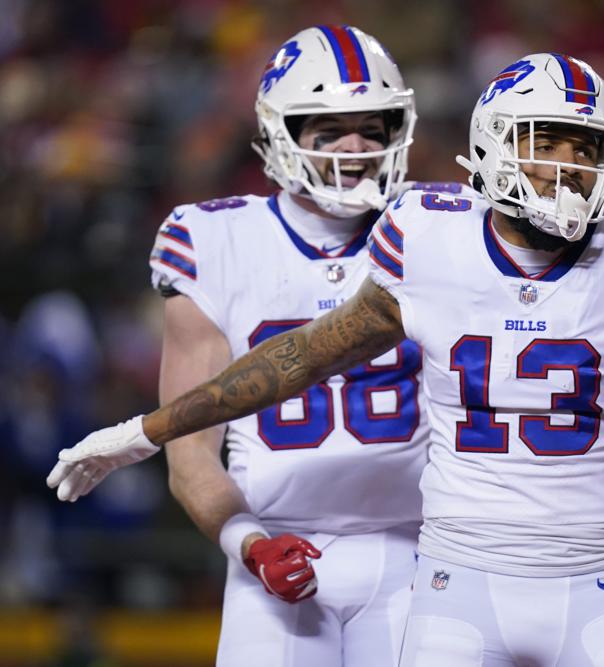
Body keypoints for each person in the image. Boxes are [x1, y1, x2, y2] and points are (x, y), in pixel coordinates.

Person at [49, 53, 604, 666]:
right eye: (548, 140)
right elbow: (297, 361)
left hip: (597, 583)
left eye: (586, 147)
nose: (568, 166)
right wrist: (144, 430)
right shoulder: (429, 243)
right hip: (453, 588)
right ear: (498, 144)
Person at [50, 25, 450, 666]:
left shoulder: (442, 228)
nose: (355, 147)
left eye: (371, 129)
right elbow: (191, 456)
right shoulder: (214, 241)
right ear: (278, 134)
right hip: (273, 549)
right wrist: (250, 545)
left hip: (422, 551)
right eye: (330, 130)